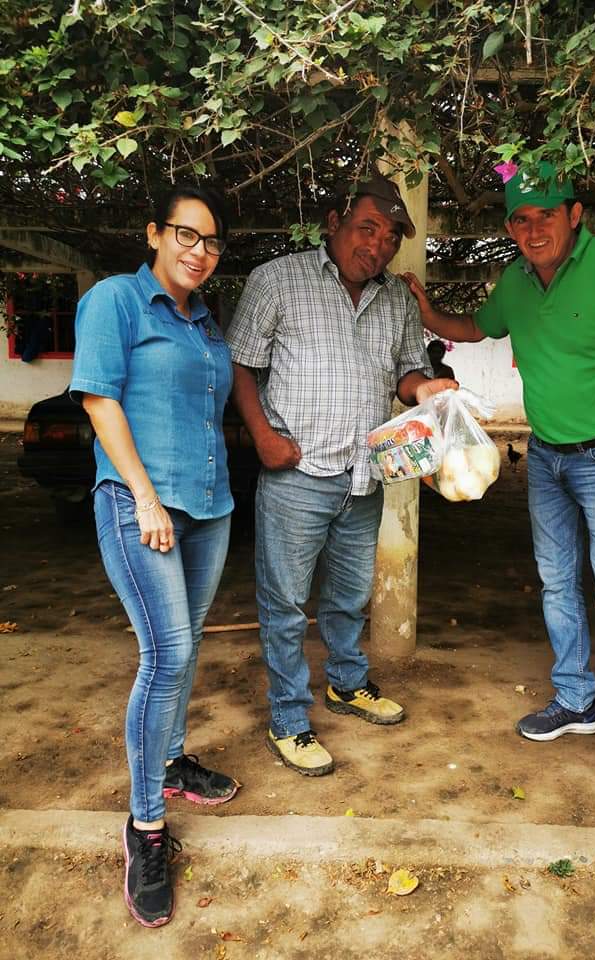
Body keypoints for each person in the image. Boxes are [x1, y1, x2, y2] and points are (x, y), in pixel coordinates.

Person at [403, 161, 595, 784]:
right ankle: (577, 700)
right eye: (521, 220)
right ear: (510, 228)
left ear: (574, 215)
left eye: (546, 216)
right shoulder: (516, 281)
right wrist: (426, 309)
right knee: (556, 585)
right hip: (548, 457)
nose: (534, 230)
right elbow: (473, 328)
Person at [226, 171, 457, 777]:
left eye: (390, 238)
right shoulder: (276, 280)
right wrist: (263, 437)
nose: (378, 246)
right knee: (284, 602)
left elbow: (406, 373)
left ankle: (347, 684)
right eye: (367, 228)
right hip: (297, 473)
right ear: (334, 223)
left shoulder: (397, 300)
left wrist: (424, 388)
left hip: (365, 474)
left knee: (350, 597)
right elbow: (240, 364)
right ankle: (288, 718)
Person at [69, 183, 239, 928]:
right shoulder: (116, 301)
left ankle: (171, 763)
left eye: (211, 242)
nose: (198, 252)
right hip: (140, 505)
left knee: (187, 642)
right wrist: (143, 496)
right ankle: (145, 828)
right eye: (185, 234)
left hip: (208, 507)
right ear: (154, 234)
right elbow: (99, 400)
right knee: (166, 653)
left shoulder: (204, 321)